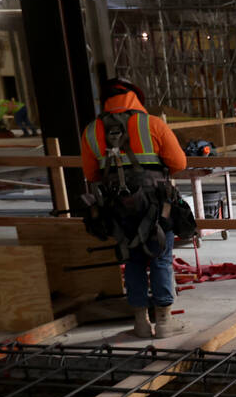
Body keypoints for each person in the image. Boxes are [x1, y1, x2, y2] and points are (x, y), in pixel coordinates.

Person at [80, 77, 188, 339]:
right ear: (135, 97)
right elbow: (179, 163)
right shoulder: (152, 124)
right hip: (155, 204)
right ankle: (163, 322)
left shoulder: (92, 131)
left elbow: (91, 174)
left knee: (131, 258)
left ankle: (140, 322)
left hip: (116, 207)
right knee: (160, 255)